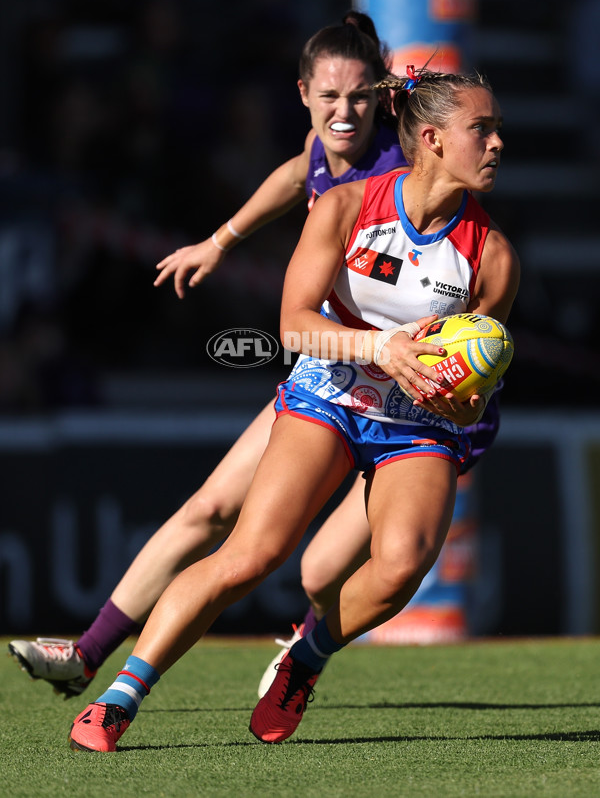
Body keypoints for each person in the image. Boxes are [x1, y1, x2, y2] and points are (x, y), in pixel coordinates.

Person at [67, 67, 520, 751]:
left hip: (414, 424)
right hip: (329, 395)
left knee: (402, 567)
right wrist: (386, 349)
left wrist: (459, 391)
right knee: (252, 555)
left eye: (496, 130)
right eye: (480, 130)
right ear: (430, 138)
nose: (496, 144)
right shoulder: (347, 208)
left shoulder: (494, 257)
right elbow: (294, 326)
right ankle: (120, 695)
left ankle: (305, 659)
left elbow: (469, 402)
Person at [8, 10, 408, 694]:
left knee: (320, 572)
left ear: (382, 96)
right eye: (330, 96)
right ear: (303, 94)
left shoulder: (397, 172)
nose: (343, 112)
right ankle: (88, 656)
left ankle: (304, 656)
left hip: (399, 401)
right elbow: (296, 174)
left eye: (360, 96)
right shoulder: (325, 150)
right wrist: (220, 241)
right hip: (327, 380)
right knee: (209, 512)